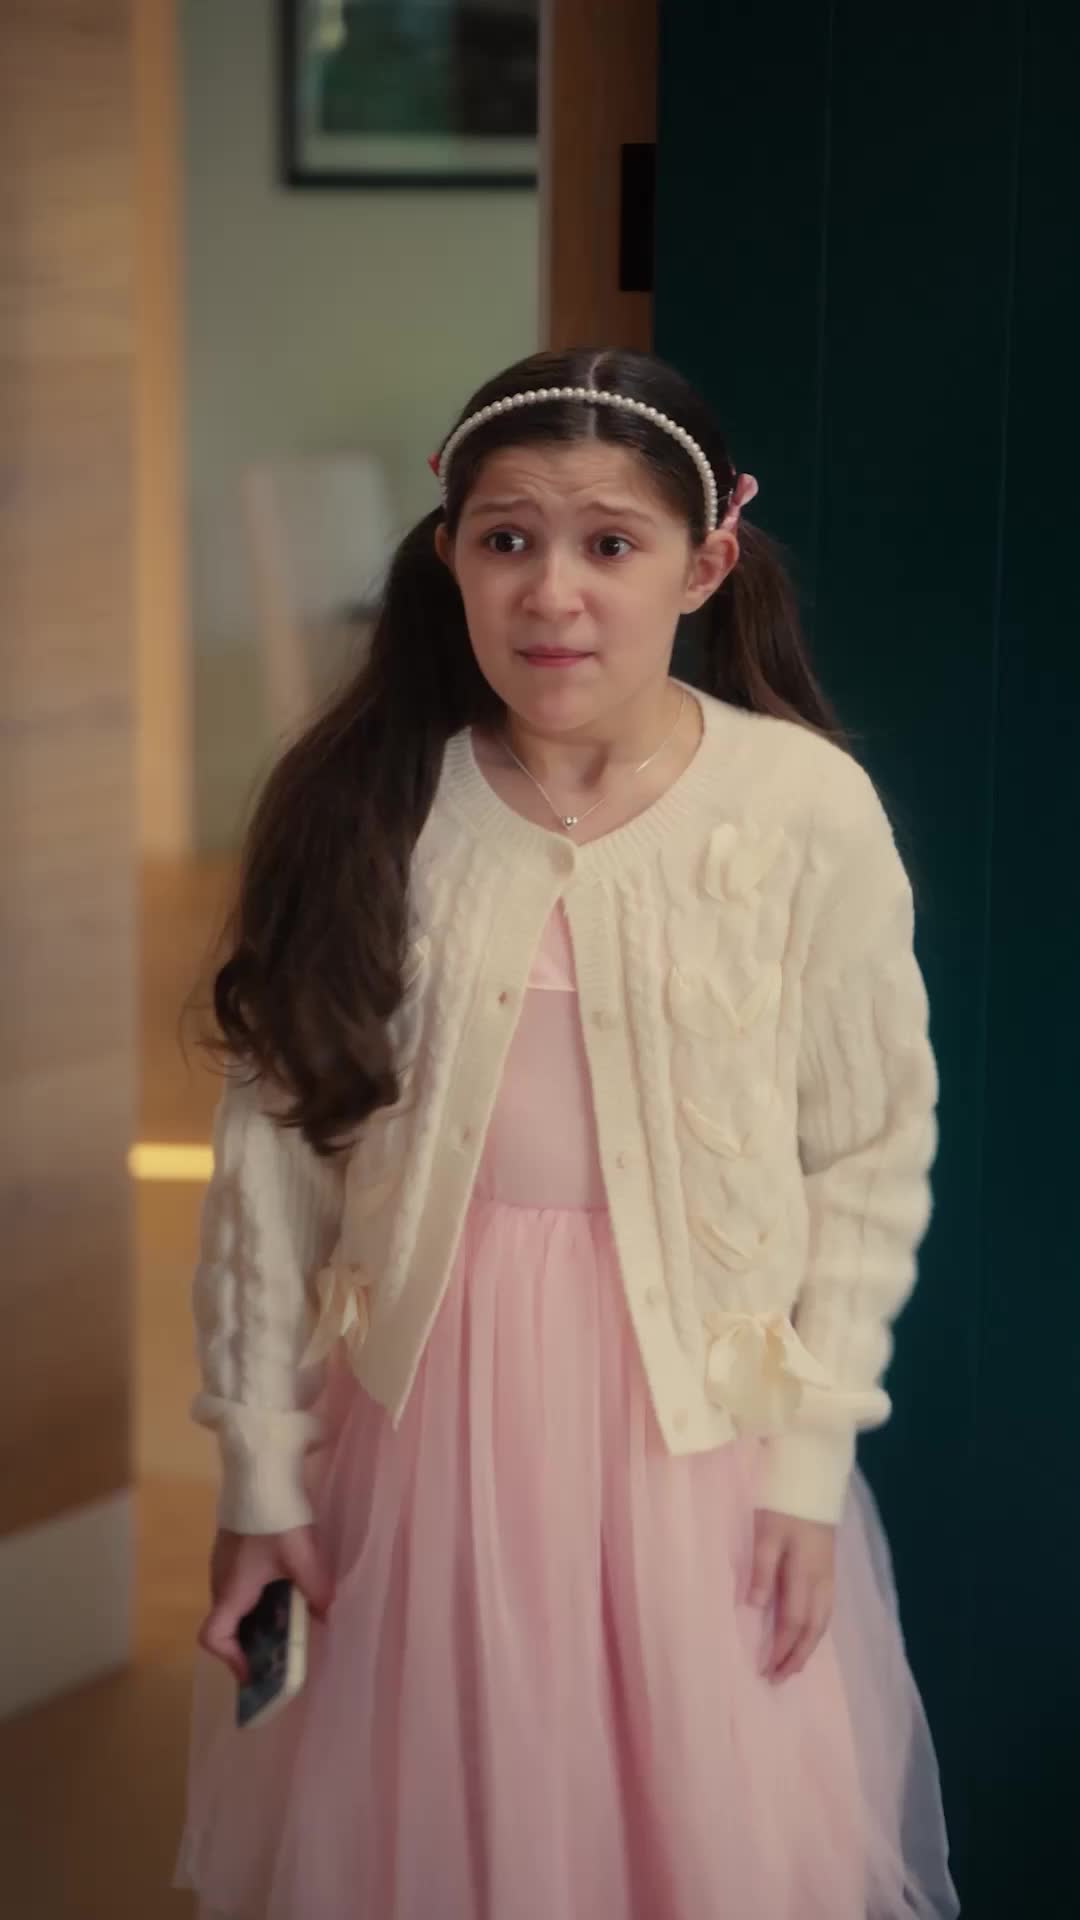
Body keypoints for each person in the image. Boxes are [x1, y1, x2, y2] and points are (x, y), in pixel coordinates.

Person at [175, 347, 958, 1919]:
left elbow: (868, 1155)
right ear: (450, 553)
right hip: (420, 1422)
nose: (554, 592)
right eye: (507, 539)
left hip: (696, 1442)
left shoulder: (802, 810)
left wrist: (810, 1465)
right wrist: (262, 1468)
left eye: (611, 543)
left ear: (703, 564)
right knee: (436, 1827)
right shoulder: (367, 804)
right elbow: (271, 1167)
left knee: (690, 1840)